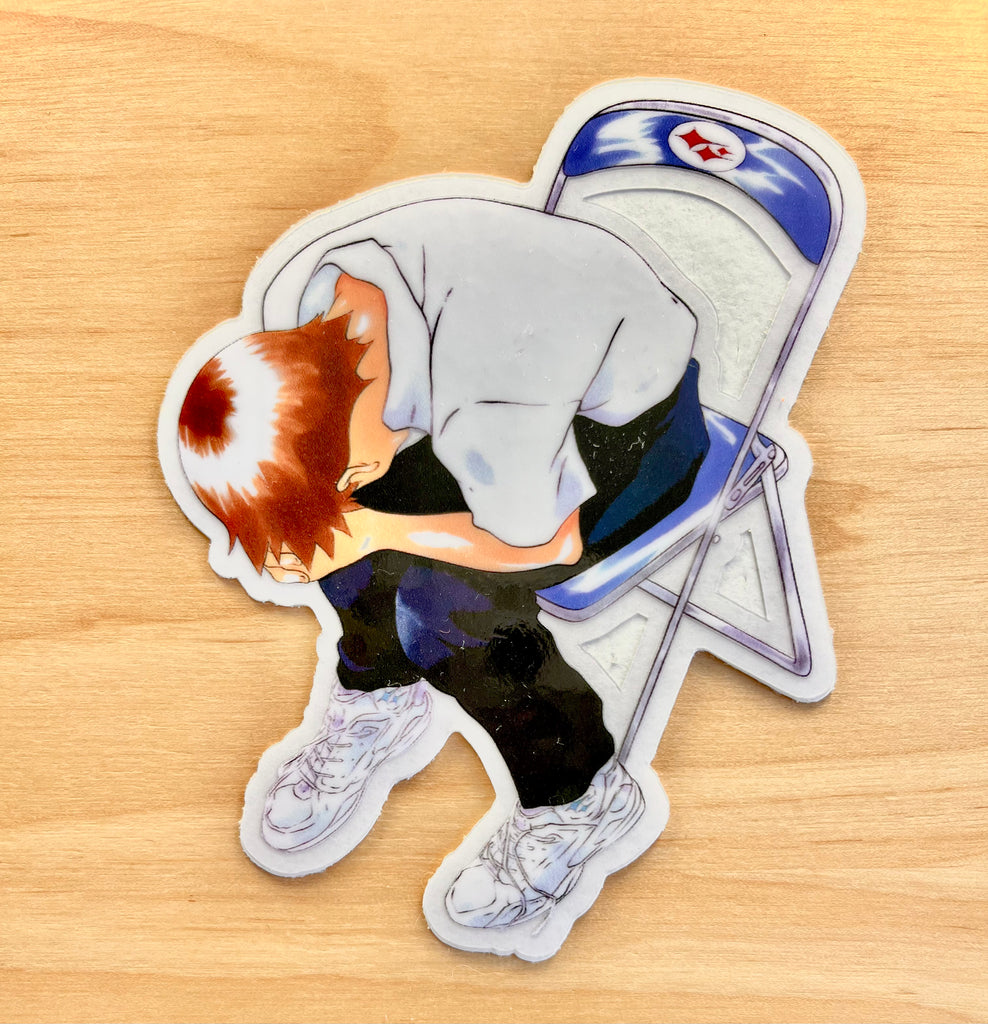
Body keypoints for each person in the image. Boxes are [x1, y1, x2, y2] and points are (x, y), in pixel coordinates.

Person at [176, 198, 709, 930]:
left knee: (444, 611)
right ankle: (382, 693)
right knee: (343, 533)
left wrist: (372, 529)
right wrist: (342, 523)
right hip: (531, 365)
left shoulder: (491, 398)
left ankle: (581, 793)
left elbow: (551, 545)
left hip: (634, 424)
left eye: (346, 471)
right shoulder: (321, 304)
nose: (353, 482)